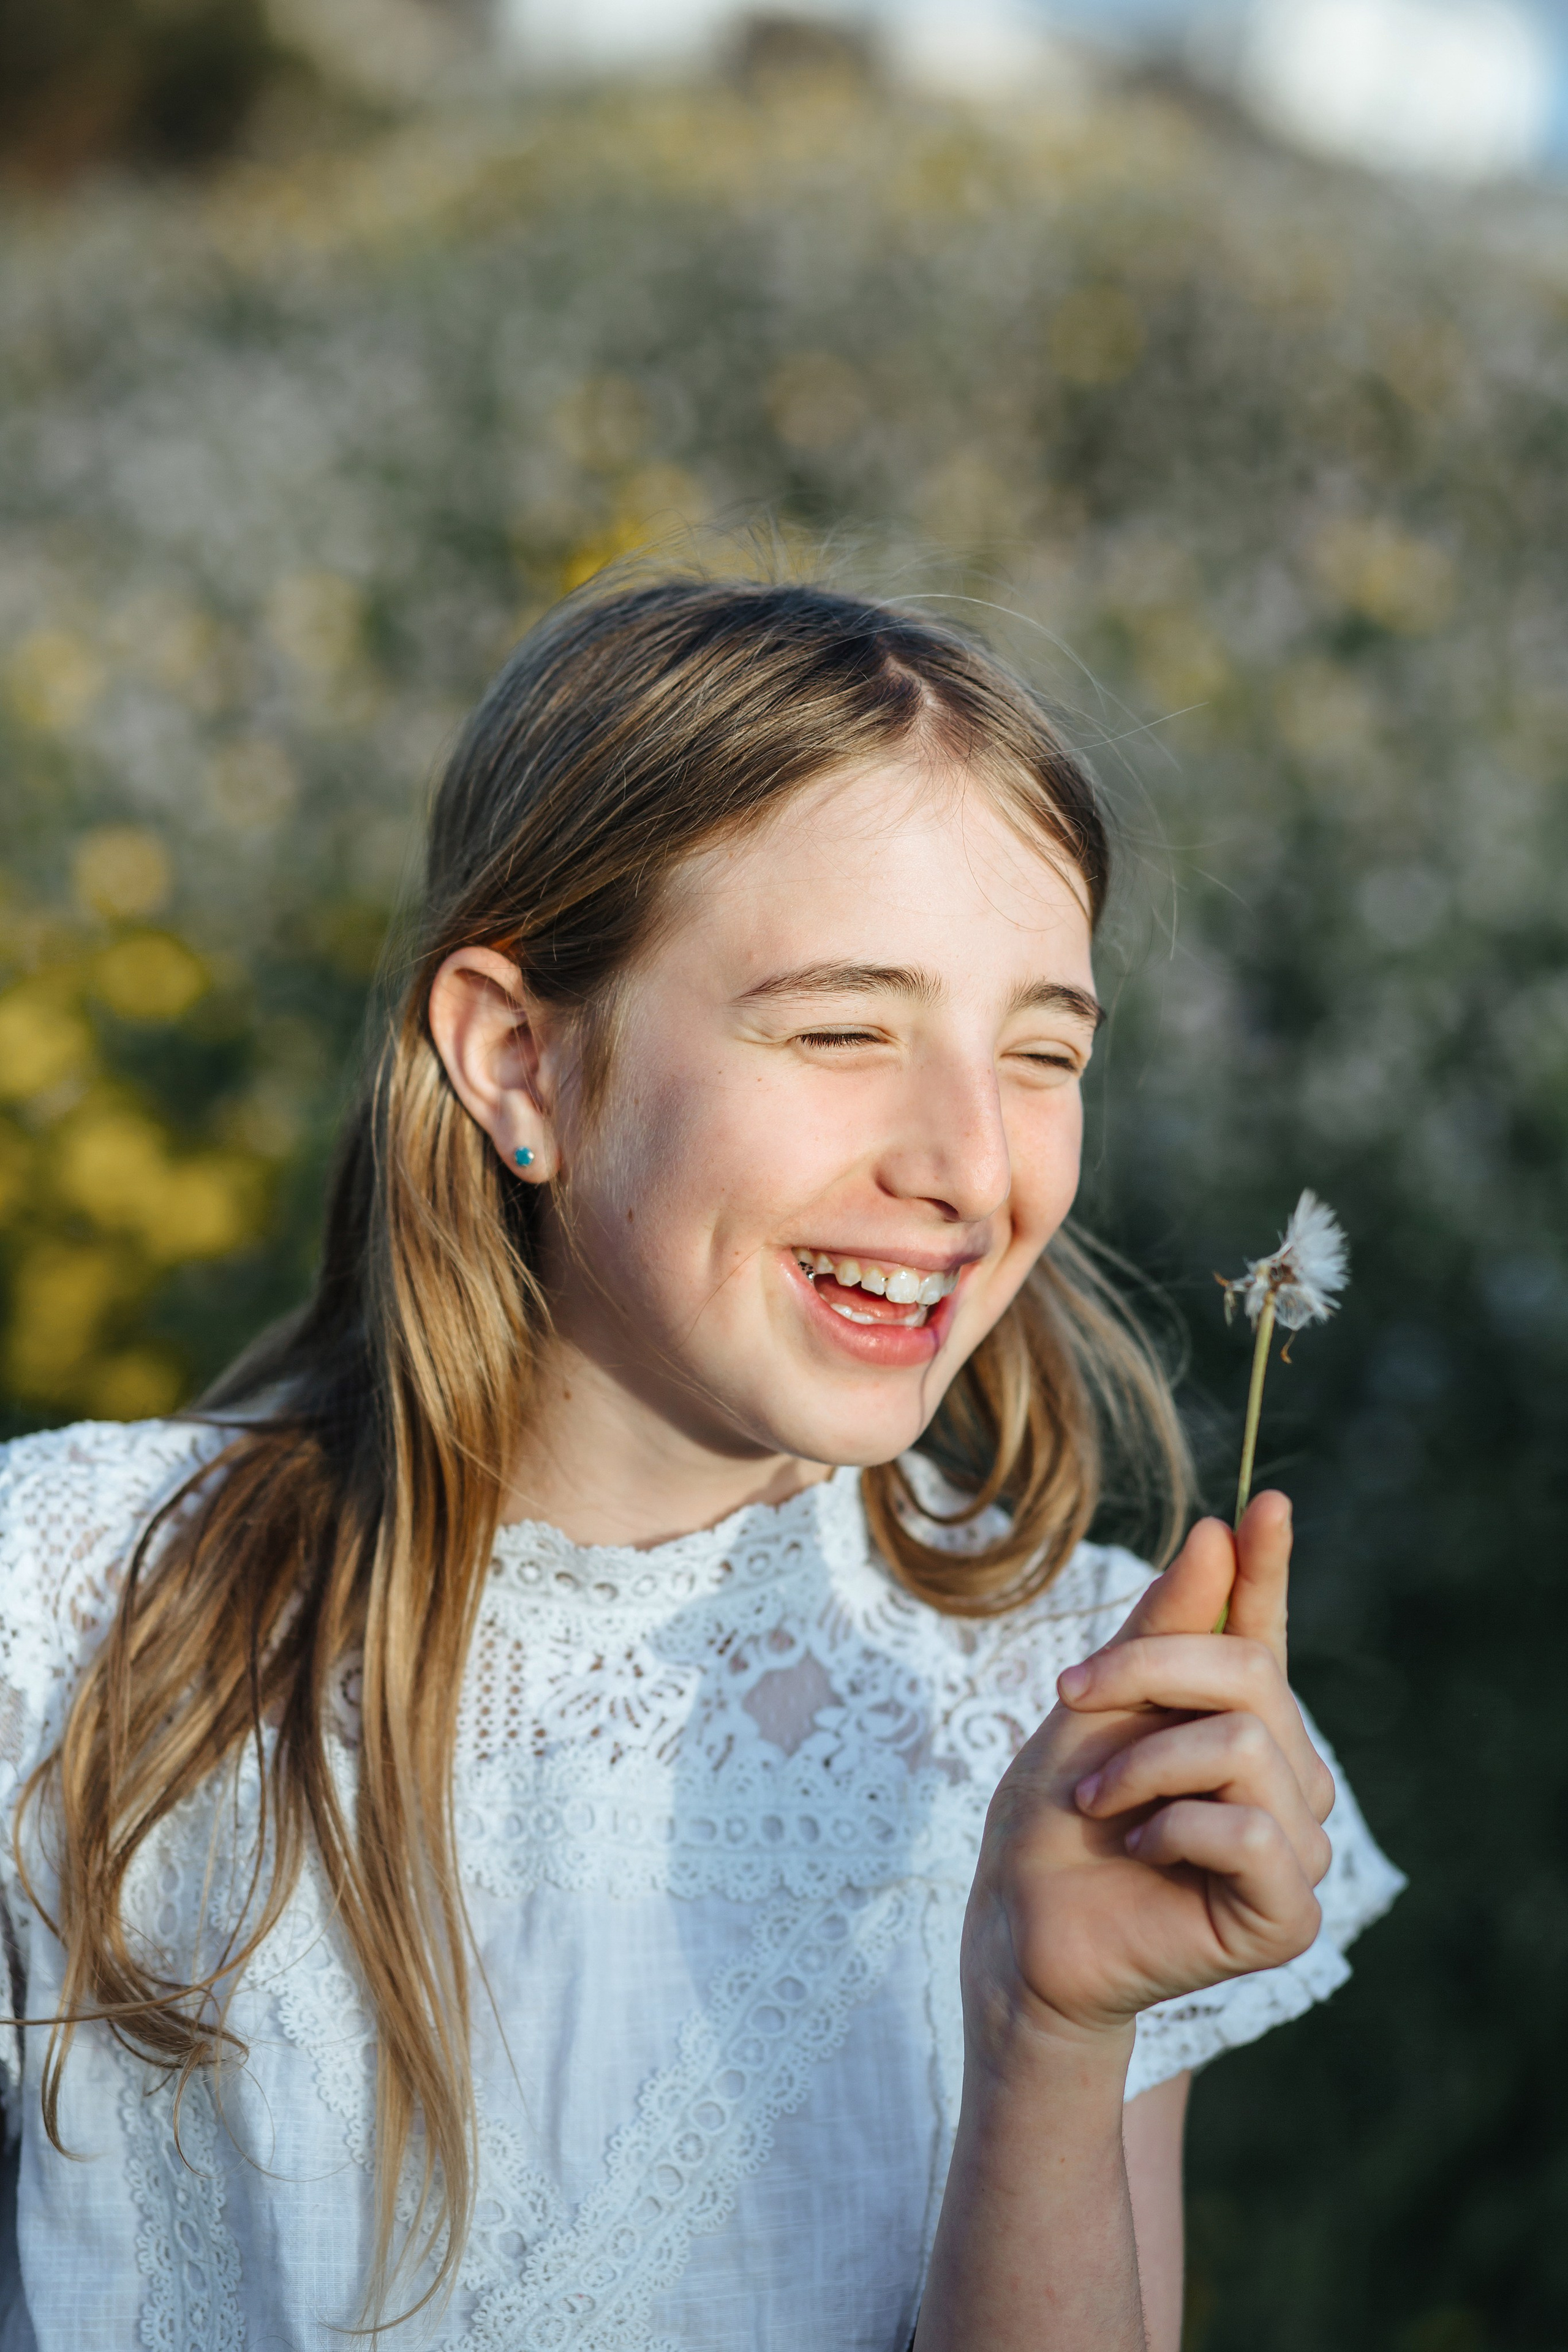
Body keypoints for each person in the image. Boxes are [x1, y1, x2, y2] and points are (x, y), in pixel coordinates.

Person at [0, 578, 1403, 2352]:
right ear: (521, 1058)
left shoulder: (1067, 1706)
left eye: (1043, 1053)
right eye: (842, 1029)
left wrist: (1052, 2034)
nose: (971, 1166)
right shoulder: (61, 1617)